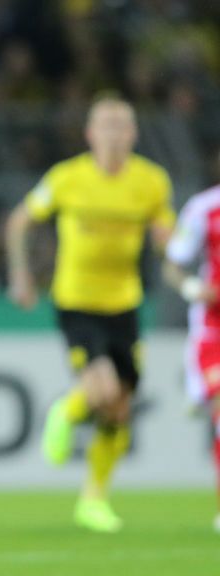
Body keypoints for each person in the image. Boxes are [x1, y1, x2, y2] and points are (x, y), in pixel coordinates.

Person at [5, 95, 175, 533]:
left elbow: (166, 239)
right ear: (90, 134)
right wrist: (21, 275)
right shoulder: (68, 178)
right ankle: (65, 411)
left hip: (125, 304)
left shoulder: (152, 182)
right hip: (77, 301)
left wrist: (175, 259)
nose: (115, 133)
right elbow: (20, 221)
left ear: (134, 134)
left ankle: (94, 500)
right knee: (101, 390)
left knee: (119, 406)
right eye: (107, 125)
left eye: (123, 125)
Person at [162, 175, 220, 533]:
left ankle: (200, 396)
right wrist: (193, 287)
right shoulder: (204, 207)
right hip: (214, 330)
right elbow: (173, 263)